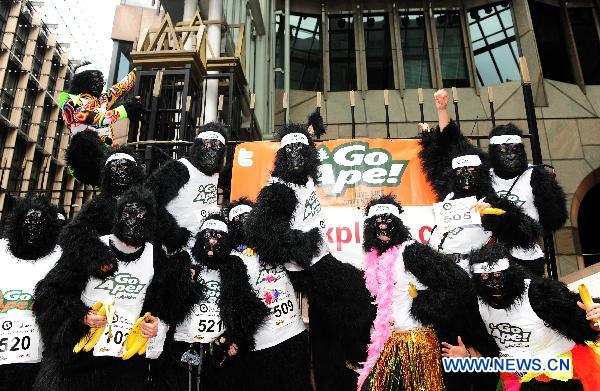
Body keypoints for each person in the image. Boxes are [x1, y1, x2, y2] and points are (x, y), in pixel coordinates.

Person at [245, 123, 374, 390]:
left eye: (301, 151)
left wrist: (309, 131)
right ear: (281, 157)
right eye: (289, 151)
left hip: (318, 264)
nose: (295, 157)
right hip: (312, 267)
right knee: (362, 295)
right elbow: (257, 229)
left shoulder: (303, 179)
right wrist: (301, 246)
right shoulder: (280, 188)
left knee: (327, 328)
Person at [33, 186, 197, 391]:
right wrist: (80, 316)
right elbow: (49, 294)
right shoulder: (90, 248)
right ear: (118, 216)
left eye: (140, 215)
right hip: (79, 361)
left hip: (125, 364)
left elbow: (165, 308)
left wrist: (157, 325)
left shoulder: (157, 259)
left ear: (151, 221)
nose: (132, 221)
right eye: (127, 213)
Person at [358, 195, 497, 391]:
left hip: (417, 343)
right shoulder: (376, 260)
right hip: (392, 342)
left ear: (398, 225)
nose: (382, 228)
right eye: (377, 223)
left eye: (388, 222)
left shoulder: (412, 252)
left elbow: (459, 282)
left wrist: (423, 306)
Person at [443, 243, 600, 391]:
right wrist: (468, 355)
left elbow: (585, 327)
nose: (492, 283)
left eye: (498, 275)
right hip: (516, 376)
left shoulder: (540, 293)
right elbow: (488, 347)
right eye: (484, 277)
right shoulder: (476, 304)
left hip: (558, 374)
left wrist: (592, 319)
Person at [153, 212, 268, 391]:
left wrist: (236, 338)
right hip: (182, 347)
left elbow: (250, 308)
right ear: (199, 238)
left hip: (217, 351)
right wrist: (186, 285)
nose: (213, 241)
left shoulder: (234, 266)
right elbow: (165, 307)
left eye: (219, 236)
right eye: (208, 235)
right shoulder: (183, 261)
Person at [228, 198, 311, 391]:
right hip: (261, 345)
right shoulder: (232, 259)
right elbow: (232, 302)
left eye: (247, 217)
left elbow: (302, 263)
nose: (243, 222)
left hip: (294, 334)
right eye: (237, 219)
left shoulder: (274, 245)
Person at [0, 196, 63, 391]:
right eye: (29, 220)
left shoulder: (59, 257)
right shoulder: (1, 251)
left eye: (40, 222)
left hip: (38, 361)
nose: (33, 227)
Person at [487, 123, 567, 275]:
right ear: (494, 153)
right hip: (493, 255)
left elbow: (555, 217)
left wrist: (527, 230)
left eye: (515, 150)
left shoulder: (536, 176)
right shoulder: (486, 177)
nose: (511, 155)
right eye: (503, 151)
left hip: (526, 252)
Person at [144, 122, 228, 253]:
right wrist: (173, 234)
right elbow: (148, 202)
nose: (212, 152)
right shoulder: (180, 169)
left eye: (217, 147)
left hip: (208, 247)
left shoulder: (217, 176)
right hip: (179, 249)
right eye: (207, 144)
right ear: (198, 146)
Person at [60, 62, 142, 186]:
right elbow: (95, 118)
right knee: (85, 141)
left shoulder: (101, 100)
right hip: (85, 156)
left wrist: (138, 70)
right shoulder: (70, 102)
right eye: (94, 78)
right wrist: (125, 110)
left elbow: (120, 88)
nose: (99, 83)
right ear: (82, 80)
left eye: (100, 78)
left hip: (104, 153)